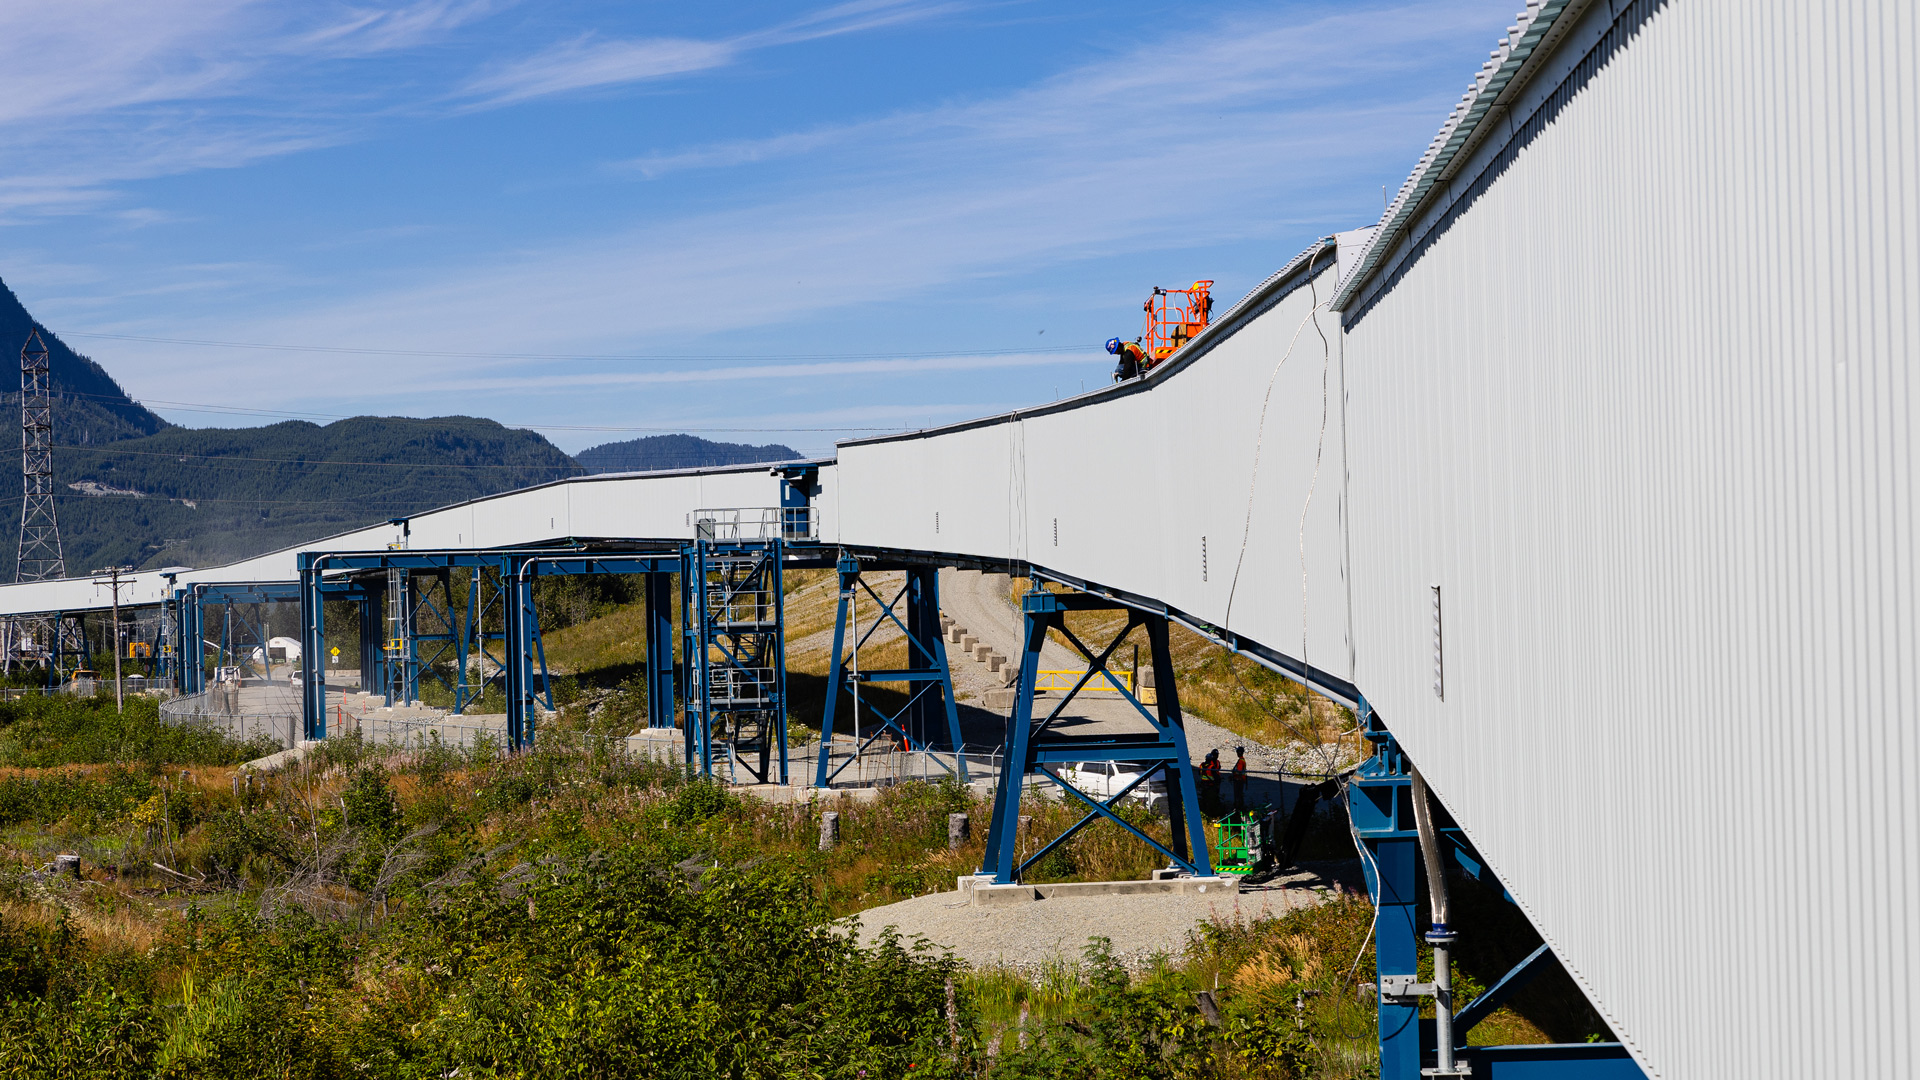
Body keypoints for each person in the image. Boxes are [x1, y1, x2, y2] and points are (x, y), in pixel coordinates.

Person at [1197, 748, 1222, 814]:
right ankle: (1210, 811)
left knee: (1205, 798)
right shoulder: (1211, 767)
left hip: (1203, 784)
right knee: (1211, 799)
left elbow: (1199, 772)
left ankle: (1205, 810)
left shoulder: (1202, 765)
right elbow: (1215, 776)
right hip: (1210, 785)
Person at [1230, 746, 1249, 812]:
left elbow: (1239, 771)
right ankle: (1239, 807)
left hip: (1238, 780)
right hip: (1240, 779)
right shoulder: (1242, 760)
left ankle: (1238, 808)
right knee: (1239, 794)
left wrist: (1233, 773)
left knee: (1238, 795)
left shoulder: (1241, 761)